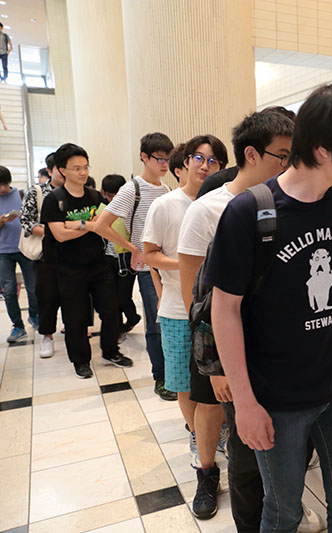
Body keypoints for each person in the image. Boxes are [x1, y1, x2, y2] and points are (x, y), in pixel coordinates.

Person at [208, 82, 332, 532]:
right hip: (275, 398)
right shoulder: (247, 213)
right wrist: (246, 403)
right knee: (283, 511)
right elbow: (225, 311)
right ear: (323, 149)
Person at [178, 109, 297, 530]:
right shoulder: (208, 210)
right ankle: (216, 486)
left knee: (279, 444)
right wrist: (215, 368)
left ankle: (283, 513)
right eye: (282, 155)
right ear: (252, 153)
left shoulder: (289, 203)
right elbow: (196, 296)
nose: (290, 164)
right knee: (240, 449)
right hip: (229, 349)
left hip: (276, 352)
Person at [142, 134, 228, 519]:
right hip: (179, 309)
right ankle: (198, 439)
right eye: (199, 157)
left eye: (213, 160)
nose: (205, 165)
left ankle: (213, 435)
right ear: (184, 162)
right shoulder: (166, 205)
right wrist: (189, 264)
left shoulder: (228, 204)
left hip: (220, 311)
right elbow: (148, 254)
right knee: (185, 382)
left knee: (215, 385)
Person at [39, 143, 133, 379]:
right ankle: (81, 360)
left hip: (99, 265)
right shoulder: (55, 200)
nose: (83, 172)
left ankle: (110, 351)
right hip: (68, 269)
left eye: (85, 167)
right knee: (76, 317)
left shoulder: (94, 195)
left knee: (111, 311)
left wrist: (77, 224)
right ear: (62, 170)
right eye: (76, 168)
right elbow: (59, 235)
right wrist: (89, 225)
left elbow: (104, 227)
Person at [94, 133, 177, 400]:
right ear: (144, 157)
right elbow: (100, 225)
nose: (164, 164)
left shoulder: (166, 190)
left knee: (172, 322)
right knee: (156, 323)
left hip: (170, 265)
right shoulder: (133, 189)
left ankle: (174, 374)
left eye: (168, 158)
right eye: (159, 159)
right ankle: (161, 377)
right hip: (147, 268)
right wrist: (133, 248)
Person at [21, 153, 64, 357]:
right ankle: (47, 335)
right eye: (59, 168)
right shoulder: (37, 191)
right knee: (47, 296)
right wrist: (55, 232)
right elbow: (27, 221)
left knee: (76, 295)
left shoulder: (77, 192)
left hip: (74, 254)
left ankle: (76, 331)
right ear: (50, 171)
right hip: (46, 254)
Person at [0, 165, 39, 343]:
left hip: (25, 248)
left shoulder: (21, 195)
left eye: (4, 184)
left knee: (33, 287)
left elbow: (32, 218)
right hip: (3, 252)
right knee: (9, 291)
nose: (2, 188)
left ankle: (34, 315)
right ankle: (18, 326)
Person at [99, 174, 140, 336]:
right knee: (111, 297)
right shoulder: (102, 209)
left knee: (123, 296)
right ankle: (118, 328)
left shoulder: (130, 208)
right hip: (107, 259)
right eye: (109, 196)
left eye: (116, 195)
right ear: (104, 193)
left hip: (126, 257)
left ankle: (132, 318)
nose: (113, 199)